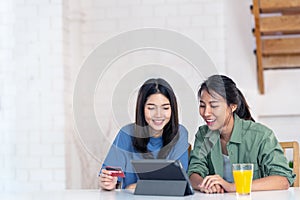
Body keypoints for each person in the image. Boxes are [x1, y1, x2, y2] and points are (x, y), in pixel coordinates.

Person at [188, 75, 295, 193]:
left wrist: (232, 187)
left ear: (232, 106)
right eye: (202, 105)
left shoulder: (260, 135)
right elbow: (194, 171)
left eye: (214, 106)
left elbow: (282, 180)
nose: (206, 112)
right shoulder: (204, 135)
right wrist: (204, 185)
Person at [99, 78, 189, 190]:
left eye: (165, 108)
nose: (158, 115)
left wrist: (134, 186)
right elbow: (110, 176)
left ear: (172, 109)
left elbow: (177, 183)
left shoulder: (180, 134)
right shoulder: (126, 134)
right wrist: (108, 182)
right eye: (151, 108)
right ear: (141, 109)